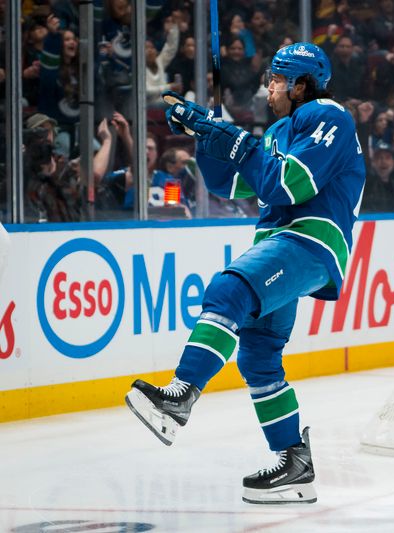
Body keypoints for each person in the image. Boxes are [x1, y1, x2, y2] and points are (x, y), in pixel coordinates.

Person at [125, 43, 366, 505]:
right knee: (257, 358)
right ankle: (294, 463)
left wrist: (237, 140)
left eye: (276, 79)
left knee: (228, 290)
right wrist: (208, 136)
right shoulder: (279, 129)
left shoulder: (328, 116)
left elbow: (289, 185)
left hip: (310, 242)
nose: (267, 86)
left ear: (300, 85)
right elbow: (228, 184)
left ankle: (179, 397)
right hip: (280, 243)